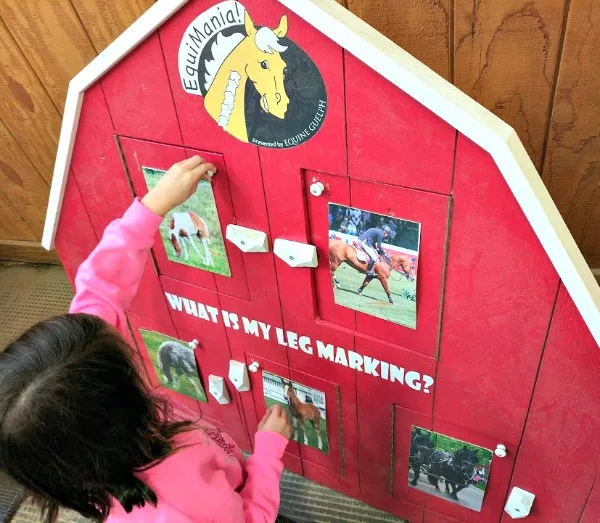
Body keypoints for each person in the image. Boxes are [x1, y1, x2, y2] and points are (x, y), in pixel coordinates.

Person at [0, 156, 292, 523]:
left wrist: (153, 207)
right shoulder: (180, 507)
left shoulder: (82, 434)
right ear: (118, 401)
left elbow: (100, 292)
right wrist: (266, 455)